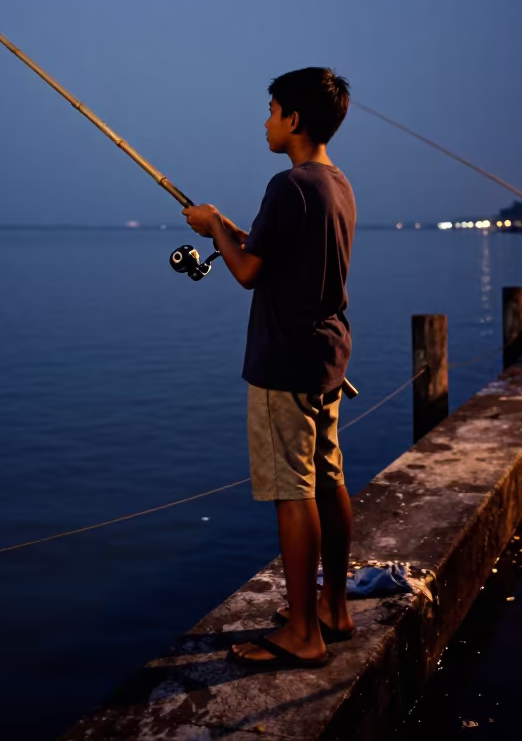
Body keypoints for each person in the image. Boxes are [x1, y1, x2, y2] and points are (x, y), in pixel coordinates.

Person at [182, 67, 355, 670]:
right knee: (328, 479)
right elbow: (275, 252)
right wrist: (227, 228)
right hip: (327, 355)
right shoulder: (336, 184)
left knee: (292, 492)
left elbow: (249, 272)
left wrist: (211, 230)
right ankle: (334, 607)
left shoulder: (288, 185)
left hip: (285, 361)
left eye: (273, 109)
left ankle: (303, 632)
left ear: (295, 120)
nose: (267, 120)